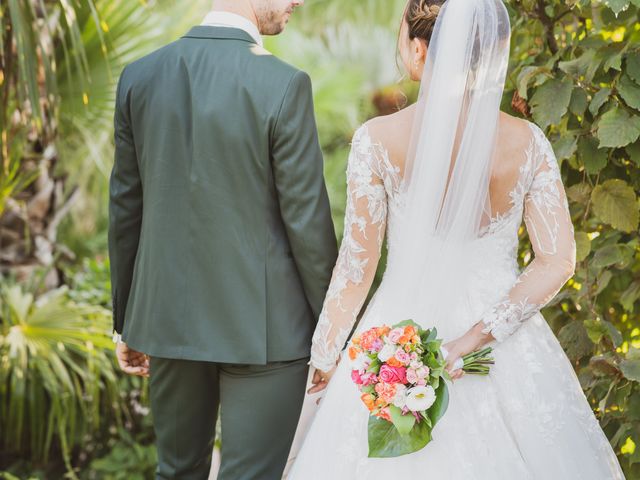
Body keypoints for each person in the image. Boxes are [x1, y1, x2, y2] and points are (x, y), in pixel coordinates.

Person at [288, 0, 625, 478]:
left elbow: (357, 269)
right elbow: (557, 262)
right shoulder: (527, 142)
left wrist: (325, 354)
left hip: (397, 340)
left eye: (402, 37)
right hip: (503, 346)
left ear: (421, 49)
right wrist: (475, 337)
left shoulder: (377, 139)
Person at [108, 0, 337, 478]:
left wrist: (127, 319)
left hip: (168, 323)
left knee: (176, 471)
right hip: (267, 331)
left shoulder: (140, 76)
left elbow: (127, 209)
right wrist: (332, 331)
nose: (299, 2)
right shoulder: (283, 83)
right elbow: (308, 225)